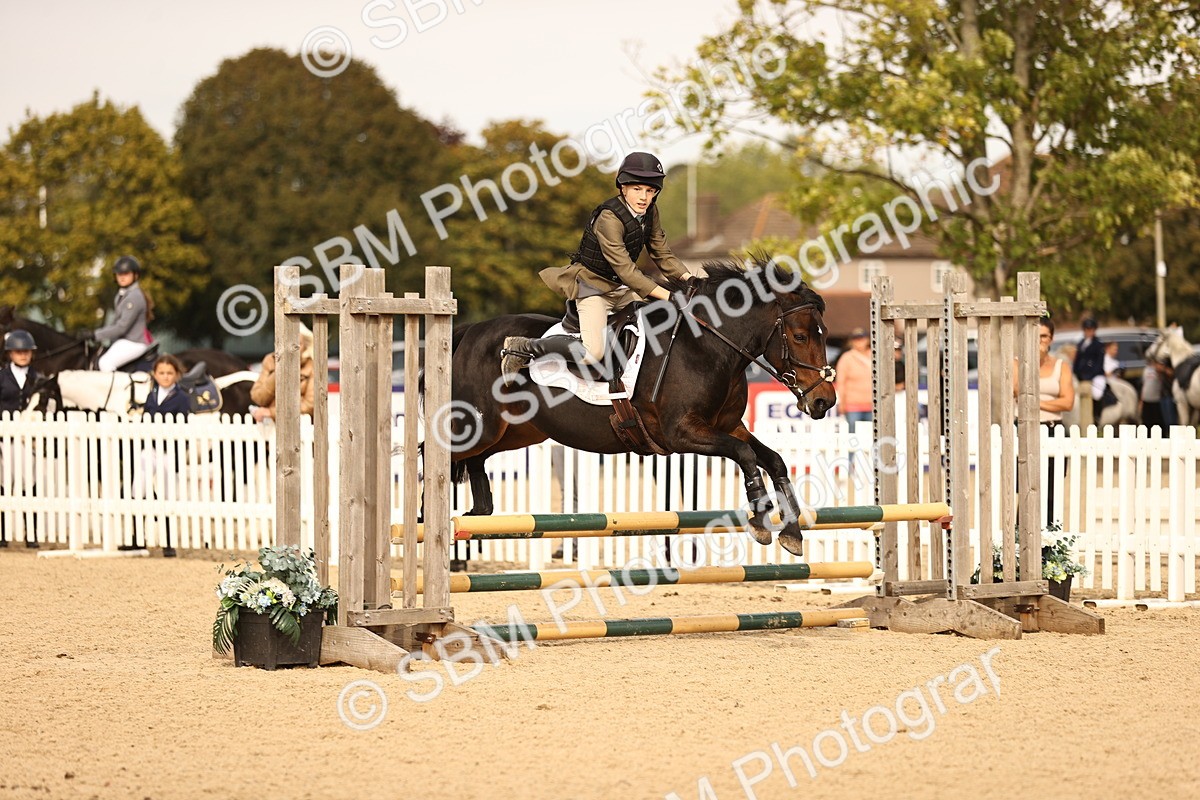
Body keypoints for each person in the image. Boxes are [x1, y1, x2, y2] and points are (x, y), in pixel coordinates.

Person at [500, 151, 694, 383]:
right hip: (592, 289)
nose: (644, 197)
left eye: (650, 191)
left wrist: (691, 281)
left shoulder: (650, 212)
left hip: (621, 289)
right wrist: (669, 296)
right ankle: (525, 346)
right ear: (623, 187)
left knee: (664, 318)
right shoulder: (608, 218)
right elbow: (626, 270)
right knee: (593, 353)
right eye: (637, 189)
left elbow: (662, 253)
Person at [1015, 318, 1074, 524]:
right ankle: (1020, 538)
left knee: (1051, 487)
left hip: (1052, 428)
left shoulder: (1061, 366)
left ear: (1051, 339)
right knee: (1024, 487)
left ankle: (1050, 542)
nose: (1040, 341)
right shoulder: (1018, 363)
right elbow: (1017, 391)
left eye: (1043, 336)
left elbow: (1067, 402)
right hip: (1025, 428)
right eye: (1035, 336)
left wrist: (1035, 401)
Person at [134, 354, 191, 556]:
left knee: (167, 493)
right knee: (138, 487)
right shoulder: (151, 395)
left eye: (169, 373)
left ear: (176, 375)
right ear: (155, 374)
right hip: (150, 448)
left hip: (169, 451)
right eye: (161, 373)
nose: (165, 377)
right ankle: (137, 537)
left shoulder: (182, 398)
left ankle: (168, 542)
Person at [0, 330, 42, 548]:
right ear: (10, 354)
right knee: (4, 483)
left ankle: (31, 533)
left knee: (29, 482)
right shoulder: (1, 377)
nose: (23, 355)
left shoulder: (39, 377)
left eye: (26, 351)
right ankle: (2, 532)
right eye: (18, 351)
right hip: (4, 437)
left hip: (27, 439)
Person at [86, 256, 155, 371]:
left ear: (135, 275)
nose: (122, 277)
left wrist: (95, 335)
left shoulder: (134, 297)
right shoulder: (121, 295)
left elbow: (121, 327)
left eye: (126, 274)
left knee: (105, 363)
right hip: (124, 341)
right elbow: (114, 323)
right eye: (119, 274)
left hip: (134, 342)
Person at [250, 324, 316, 422]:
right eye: (288, 342)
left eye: (298, 344)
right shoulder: (270, 360)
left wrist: (271, 412)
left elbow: (310, 405)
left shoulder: (311, 366)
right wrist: (278, 372)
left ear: (305, 347)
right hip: (270, 427)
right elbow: (258, 397)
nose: (292, 348)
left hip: (301, 427)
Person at [834, 328, 873, 425]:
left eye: (861, 338)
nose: (859, 341)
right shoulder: (846, 358)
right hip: (853, 405)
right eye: (856, 339)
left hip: (873, 405)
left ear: (867, 340)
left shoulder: (874, 355)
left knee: (873, 435)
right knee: (854, 435)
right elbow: (841, 382)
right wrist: (842, 403)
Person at [1072, 317, 1104, 426]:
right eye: (1086, 329)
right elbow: (1077, 361)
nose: (1088, 331)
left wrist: (1089, 376)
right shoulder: (1081, 343)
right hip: (1082, 376)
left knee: (1097, 394)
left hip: (1095, 375)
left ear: (1094, 330)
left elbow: (1099, 363)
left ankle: (1097, 417)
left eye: (1090, 329)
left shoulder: (1098, 344)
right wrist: (1076, 372)